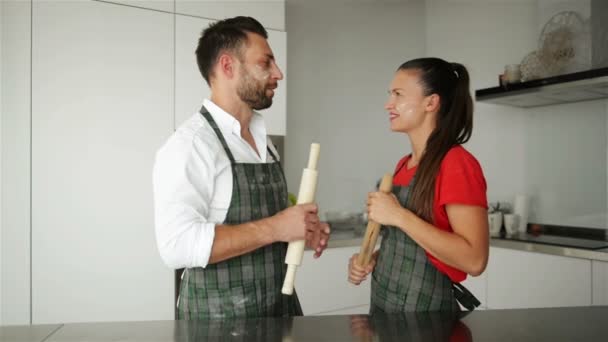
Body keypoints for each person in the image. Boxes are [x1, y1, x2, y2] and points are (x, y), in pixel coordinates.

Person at [153, 16, 330, 319]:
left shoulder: (264, 141)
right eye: (266, 63)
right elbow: (176, 246)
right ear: (227, 66)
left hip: (278, 310)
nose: (278, 73)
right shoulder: (191, 145)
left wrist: (301, 229)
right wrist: (277, 227)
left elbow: (269, 222)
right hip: (218, 321)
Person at [348, 57, 489, 312]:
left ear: (431, 102)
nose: (388, 104)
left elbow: (475, 259)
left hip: (426, 315)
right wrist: (373, 259)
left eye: (398, 95)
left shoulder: (456, 163)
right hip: (384, 306)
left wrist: (398, 215)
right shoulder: (404, 164)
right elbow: (411, 243)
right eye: (390, 94)